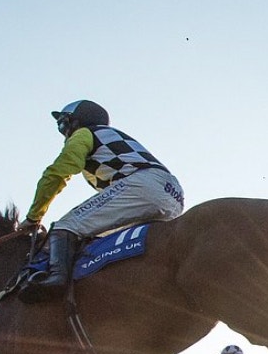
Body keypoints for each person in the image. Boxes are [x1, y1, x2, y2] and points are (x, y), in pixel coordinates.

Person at [19, 100, 185, 300]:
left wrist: (34, 217)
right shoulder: (110, 138)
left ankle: (56, 280)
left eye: (63, 125)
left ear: (75, 122)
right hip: (174, 196)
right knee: (98, 240)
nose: (62, 132)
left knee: (65, 227)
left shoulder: (84, 134)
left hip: (143, 186)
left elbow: (57, 174)